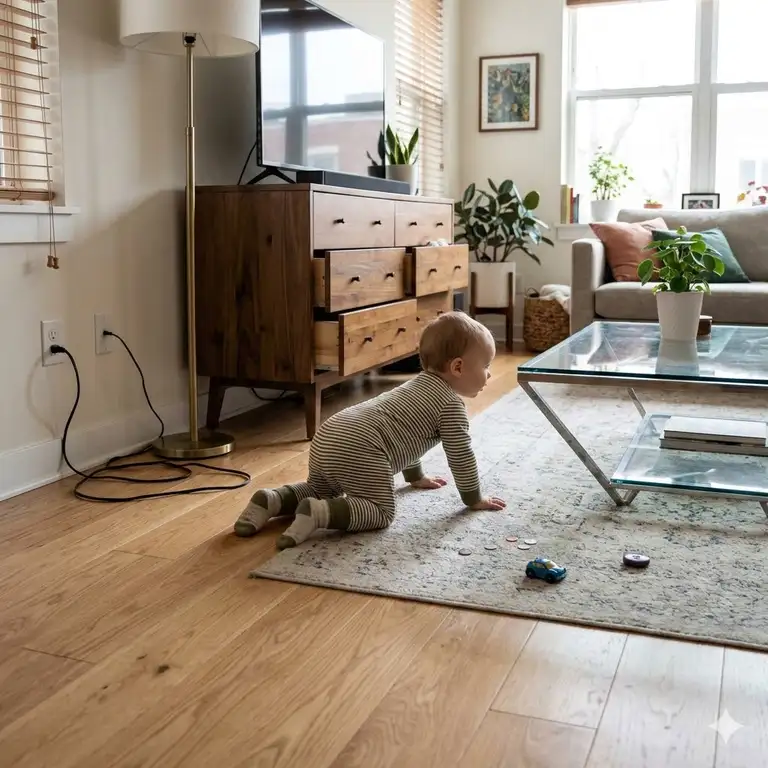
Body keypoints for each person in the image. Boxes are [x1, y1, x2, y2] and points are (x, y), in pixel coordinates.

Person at [233, 311, 507, 549]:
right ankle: (321, 513)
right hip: (361, 446)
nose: (489, 374)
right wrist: (474, 498)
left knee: (318, 486)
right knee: (380, 511)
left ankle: (273, 500)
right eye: (485, 366)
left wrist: (416, 477)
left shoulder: (417, 386)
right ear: (457, 367)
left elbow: (407, 433)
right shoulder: (450, 405)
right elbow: (461, 457)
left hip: (331, 433)